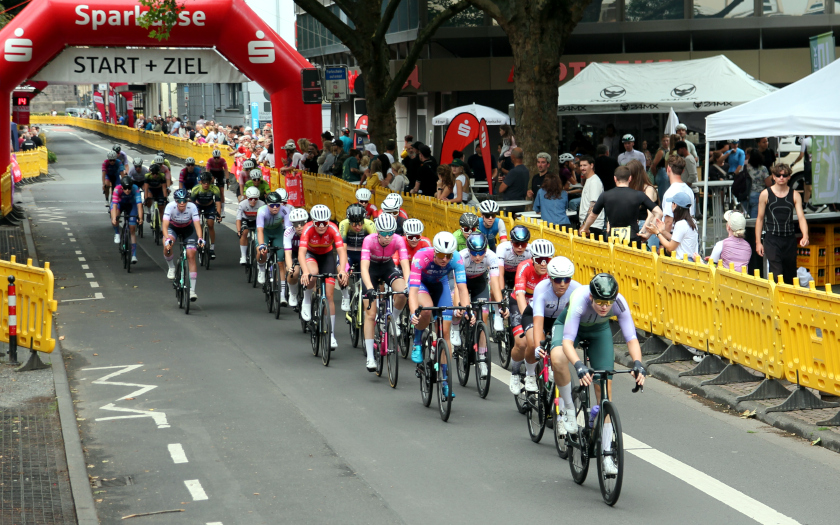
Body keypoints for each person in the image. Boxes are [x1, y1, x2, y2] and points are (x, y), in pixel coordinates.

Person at [550, 273, 646, 475]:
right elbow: (568, 341)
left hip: (599, 331)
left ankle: (607, 454)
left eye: (608, 303)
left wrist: (638, 364)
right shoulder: (579, 300)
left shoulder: (619, 303)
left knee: (605, 390)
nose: (605, 307)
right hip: (570, 329)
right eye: (600, 302)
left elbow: (631, 337)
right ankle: (568, 407)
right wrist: (578, 365)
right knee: (558, 358)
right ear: (592, 297)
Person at [408, 232, 470, 400]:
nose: (445, 259)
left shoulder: (456, 258)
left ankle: (445, 380)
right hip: (421, 284)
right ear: (435, 251)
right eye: (441, 255)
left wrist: (464, 308)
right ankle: (417, 340)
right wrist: (415, 313)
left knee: (445, 332)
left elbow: (462, 288)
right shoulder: (421, 257)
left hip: (440, 284)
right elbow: (412, 292)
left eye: (448, 255)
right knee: (426, 310)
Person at [532, 257, 581, 430]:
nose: (562, 284)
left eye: (566, 279)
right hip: (544, 319)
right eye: (558, 280)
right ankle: (533, 374)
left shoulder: (576, 289)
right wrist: (538, 345)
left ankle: (562, 409)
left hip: (564, 322)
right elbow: (537, 323)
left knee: (561, 360)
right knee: (531, 340)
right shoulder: (541, 289)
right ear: (550, 279)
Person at [360, 213, 411, 371]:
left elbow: (404, 264)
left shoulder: (398, 239)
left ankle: (392, 322)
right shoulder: (369, 240)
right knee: (370, 314)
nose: (388, 237)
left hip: (388, 267)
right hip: (372, 271)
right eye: (384, 233)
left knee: (403, 293)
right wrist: (369, 288)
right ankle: (370, 356)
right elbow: (364, 267)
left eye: (391, 233)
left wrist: (409, 284)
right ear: (378, 232)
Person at [452, 232, 506, 377]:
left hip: (479, 281)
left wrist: (500, 305)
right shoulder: (461, 257)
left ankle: (482, 358)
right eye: (474, 253)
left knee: (484, 314)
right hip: (462, 281)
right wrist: (459, 306)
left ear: (485, 250)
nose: (477, 256)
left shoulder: (491, 256)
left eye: (481, 252)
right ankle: (455, 328)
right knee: (459, 307)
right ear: (468, 250)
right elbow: (458, 286)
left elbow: (494, 283)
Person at [507, 239, 555, 394]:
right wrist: (525, 320)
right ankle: (515, 373)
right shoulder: (524, 267)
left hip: (541, 306)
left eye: (547, 260)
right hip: (521, 303)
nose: (543, 264)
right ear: (532, 259)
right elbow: (520, 295)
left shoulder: (553, 271)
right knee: (522, 342)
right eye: (539, 260)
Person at [299, 205, 349, 349]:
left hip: (327, 256)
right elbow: (301, 253)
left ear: (328, 221)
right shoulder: (307, 229)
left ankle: (331, 334)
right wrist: (305, 272)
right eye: (318, 223)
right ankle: (307, 299)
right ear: (313, 221)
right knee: (313, 273)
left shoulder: (333, 228)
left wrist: (343, 270)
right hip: (311, 254)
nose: (321, 226)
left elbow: (341, 251)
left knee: (329, 295)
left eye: (324, 223)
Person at [581, 165, 661, 246]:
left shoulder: (605, 195)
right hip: (633, 238)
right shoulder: (639, 195)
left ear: (615, 179)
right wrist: (648, 234)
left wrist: (586, 228)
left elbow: (592, 216)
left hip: (612, 239)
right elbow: (659, 213)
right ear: (630, 178)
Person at [756, 164, 809, 285]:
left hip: (789, 238)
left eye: (784, 175)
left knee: (790, 274)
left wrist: (805, 235)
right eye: (778, 175)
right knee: (776, 273)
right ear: (773, 177)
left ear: (789, 177)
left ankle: (788, 301)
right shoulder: (765, 194)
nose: (781, 178)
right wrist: (758, 242)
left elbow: (801, 217)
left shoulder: (795, 194)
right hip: (772, 238)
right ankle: (776, 301)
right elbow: (759, 219)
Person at [162, 189, 204, 301]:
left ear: (187, 200)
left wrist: (200, 238)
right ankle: (171, 267)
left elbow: (197, 225)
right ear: (175, 201)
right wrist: (167, 239)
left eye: (184, 200)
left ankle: (192, 291)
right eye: (179, 200)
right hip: (173, 228)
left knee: (191, 255)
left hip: (188, 229)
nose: (182, 203)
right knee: (167, 247)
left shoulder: (192, 207)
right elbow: (165, 226)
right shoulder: (170, 206)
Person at [338, 203, 376, 310]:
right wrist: (345, 268)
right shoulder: (343, 224)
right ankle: (345, 296)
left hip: (363, 254)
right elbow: (342, 249)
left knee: (366, 278)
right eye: (354, 224)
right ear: (349, 221)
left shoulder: (370, 224)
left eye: (360, 223)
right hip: (348, 253)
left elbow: (373, 247)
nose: (358, 227)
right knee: (341, 272)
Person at [649, 191, 697, 260]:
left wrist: (657, 233)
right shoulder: (693, 221)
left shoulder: (681, 224)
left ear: (675, 205)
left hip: (682, 262)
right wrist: (663, 232)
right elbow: (677, 239)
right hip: (691, 260)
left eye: (672, 203)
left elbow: (670, 247)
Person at [256, 192, 289, 288]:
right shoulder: (262, 211)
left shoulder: (285, 211)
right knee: (261, 251)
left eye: (277, 205)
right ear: (267, 205)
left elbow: (288, 230)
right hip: (264, 231)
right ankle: (261, 268)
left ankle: (282, 294)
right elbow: (260, 230)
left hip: (277, 232)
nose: (275, 207)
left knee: (281, 261)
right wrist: (262, 244)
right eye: (272, 205)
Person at [110, 176, 143, 263]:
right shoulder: (117, 189)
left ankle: (134, 255)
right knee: (114, 216)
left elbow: (139, 205)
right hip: (120, 204)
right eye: (125, 188)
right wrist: (114, 218)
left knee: (132, 229)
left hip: (131, 205)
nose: (127, 190)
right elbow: (115, 205)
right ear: (122, 187)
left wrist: (140, 217)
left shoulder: (135, 189)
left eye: (129, 188)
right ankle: (117, 233)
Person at [190, 173, 222, 260]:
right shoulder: (196, 189)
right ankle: (198, 239)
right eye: (204, 182)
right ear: (201, 182)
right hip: (198, 206)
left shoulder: (215, 189)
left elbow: (218, 202)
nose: (206, 184)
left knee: (210, 224)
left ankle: (212, 248)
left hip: (209, 206)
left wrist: (218, 214)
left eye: (208, 182)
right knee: (197, 224)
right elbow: (191, 204)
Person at [660, 156, 695, 234]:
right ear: (682, 171)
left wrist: (663, 242)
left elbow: (669, 222)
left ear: (668, 168)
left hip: (674, 234)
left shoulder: (670, 192)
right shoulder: (689, 190)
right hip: (688, 231)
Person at [283, 208, 309, 307]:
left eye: (302, 223)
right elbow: (288, 254)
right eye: (295, 224)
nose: (299, 227)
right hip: (294, 253)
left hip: (307, 253)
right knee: (294, 272)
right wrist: (290, 268)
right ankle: (293, 293)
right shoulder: (288, 232)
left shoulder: (310, 231)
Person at [578, 155, 605, 239]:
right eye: (581, 165)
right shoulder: (589, 180)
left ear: (592, 165)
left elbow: (593, 205)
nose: (582, 168)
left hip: (593, 225)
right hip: (589, 225)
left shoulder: (594, 181)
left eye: (585, 165)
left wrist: (585, 225)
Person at [236, 187, 265, 265]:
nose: (253, 201)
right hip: (246, 219)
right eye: (251, 199)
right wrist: (239, 231)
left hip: (257, 220)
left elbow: (265, 219)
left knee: (259, 234)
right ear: (247, 198)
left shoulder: (262, 204)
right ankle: (243, 256)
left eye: (255, 199)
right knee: (244, 232)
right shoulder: (242, 204)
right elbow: (238, 219)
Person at [746, 148, 771, 218]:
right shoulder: (763, 169)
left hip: (746, 194)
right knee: (755, 219)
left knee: (746, 218)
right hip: (758, 194)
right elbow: (768, 184)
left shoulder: (745, 168)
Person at [790, 136, 814, 208]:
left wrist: (794, 163)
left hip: (808, 165)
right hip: (816, 164)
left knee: (808, 186)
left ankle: (812, 203)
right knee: (806, 185)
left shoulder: (805, 141)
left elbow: (801, 155)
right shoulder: (817, 140)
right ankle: (805, 204)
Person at [650, 134, 671, 203]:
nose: (666, 142)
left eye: (667, 141)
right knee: (664, 195)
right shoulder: (661, 151)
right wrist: (656, 175)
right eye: (664, 141)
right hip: (662, 173)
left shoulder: (669, 150)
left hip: (668, 173)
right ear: (662, 142)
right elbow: (653, 165)